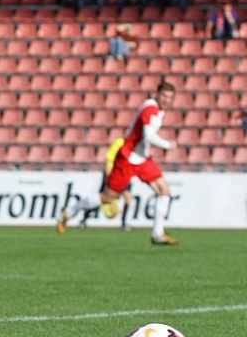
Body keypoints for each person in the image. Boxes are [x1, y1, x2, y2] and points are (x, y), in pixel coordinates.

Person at [57, 82, 179, 245]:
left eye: (170, 97)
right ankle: (70, 211)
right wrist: (168, 145)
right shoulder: (151, 108)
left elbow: (141, 134)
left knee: (164, 190)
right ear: (157, 94)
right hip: (127, 159)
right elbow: (148, 135)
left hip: (142, 158)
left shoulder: (158, 111)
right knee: (107, 197)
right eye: (164, 96)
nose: (166, 100)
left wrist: (146, 149)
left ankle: (157, 234)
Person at [78, 137, 134, 231]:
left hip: (124, 175)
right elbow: (109, 158)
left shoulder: (133, 145)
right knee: (103, 199)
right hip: (113, 174)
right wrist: (108, 175)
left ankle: (124, 223)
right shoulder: (119, 143)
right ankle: (84, 218)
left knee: (128, 197)